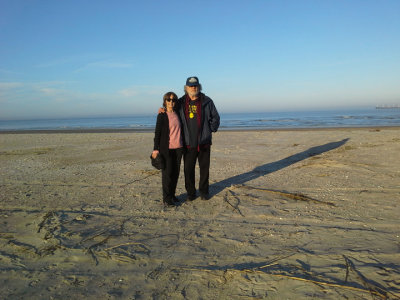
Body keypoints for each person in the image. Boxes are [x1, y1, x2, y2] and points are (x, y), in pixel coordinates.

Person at [160, 76, 220, 201]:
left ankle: (204, 192)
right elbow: (171, 111)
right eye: (191, 86)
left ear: (199, 86)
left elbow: (215, 117)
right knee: (188, 171)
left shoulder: (207, 101)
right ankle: (191, 193)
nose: (194, 88)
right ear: (186, 88)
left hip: (204, 143)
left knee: (204, 170)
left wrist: (210, 129)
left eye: (196, 86)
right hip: (187, 144)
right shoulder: (181, 102)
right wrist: (163, 110)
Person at [152, 92, 184, 206]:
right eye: (168, 100)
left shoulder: (178, 113)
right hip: (167, 149)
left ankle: (172, 195)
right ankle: (166, 198)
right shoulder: (162, 115)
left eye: (173, 100)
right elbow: (158, 133)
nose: (171, 102)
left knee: (175, 173)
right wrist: (155, 149)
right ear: (165, 101)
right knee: (167, 174)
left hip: (179, 148)